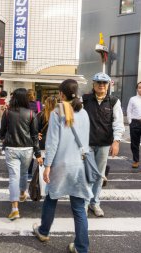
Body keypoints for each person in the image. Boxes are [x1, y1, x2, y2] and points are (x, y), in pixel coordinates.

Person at [33, 79, 92, 253]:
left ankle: (44, 231)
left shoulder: (57, 112)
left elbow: (52, 142)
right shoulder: (84, 112)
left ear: (62, 94)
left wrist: (48, 165)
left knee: (51, 198)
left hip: (61, 163)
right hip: (80, 164)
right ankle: (81, 247)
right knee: (79, 207)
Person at [82, 72, 124, 217]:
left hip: (104, 143)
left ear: (108, 85)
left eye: (104, 83)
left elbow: (118, 123)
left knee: (99, 175)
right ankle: (85, 203)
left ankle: (95, 203)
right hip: (87, 143)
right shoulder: (84, 100)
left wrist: (116, 142)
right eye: (98, 83)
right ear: (93, 84)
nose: (101, 85)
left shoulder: (113, 101)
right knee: (87, 174)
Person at [0, 88, 43, 220]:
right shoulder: (31, 113)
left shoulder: (7, 113)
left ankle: (15, 209)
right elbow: (35, 135)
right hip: (27, 149)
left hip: (11, 148)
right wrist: (38, 154)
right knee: (23, 173)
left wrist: (2, 138)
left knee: (13, 177)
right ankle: (22, 193)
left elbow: (2, 131)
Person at [27, 89, 41, 178]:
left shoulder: (25, 104)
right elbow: (40, 116)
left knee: (27, 151)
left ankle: (27, 171)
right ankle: (30, 173)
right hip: (35, 130)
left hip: (26, 130)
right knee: (34, 151)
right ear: (34, 95)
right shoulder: (38, 104)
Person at [0, 90, 8, 155]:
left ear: (0, 95)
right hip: (5, 121)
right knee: (5, 136)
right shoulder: (7, 103)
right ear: (6, 96)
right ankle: (3, 149)